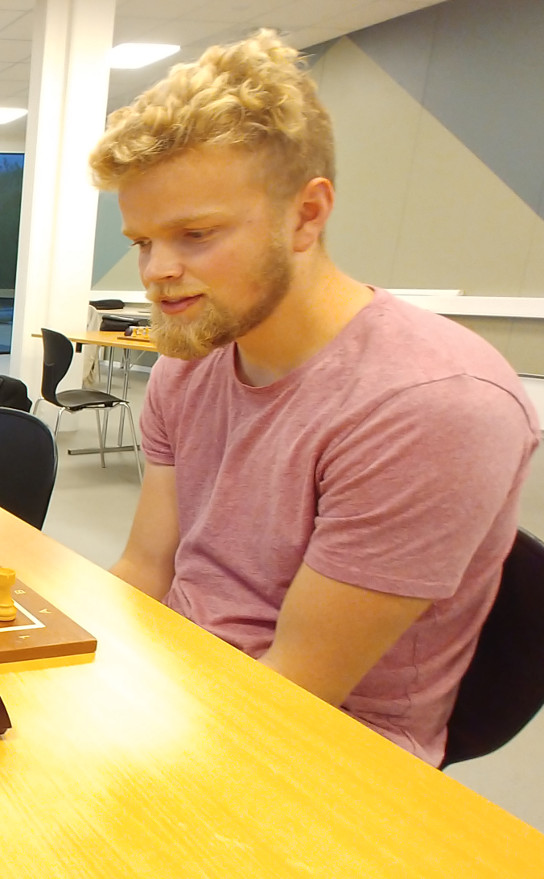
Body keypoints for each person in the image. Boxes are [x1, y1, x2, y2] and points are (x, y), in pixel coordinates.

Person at [94, 31, 537, 766]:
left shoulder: (431, 404)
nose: (157, 272)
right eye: (142, 241)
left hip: (324, 757)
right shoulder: (193, 354)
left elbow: (295, 689)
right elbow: (145, 569)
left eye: (195, 234)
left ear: (307, 215)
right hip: (175, 689)